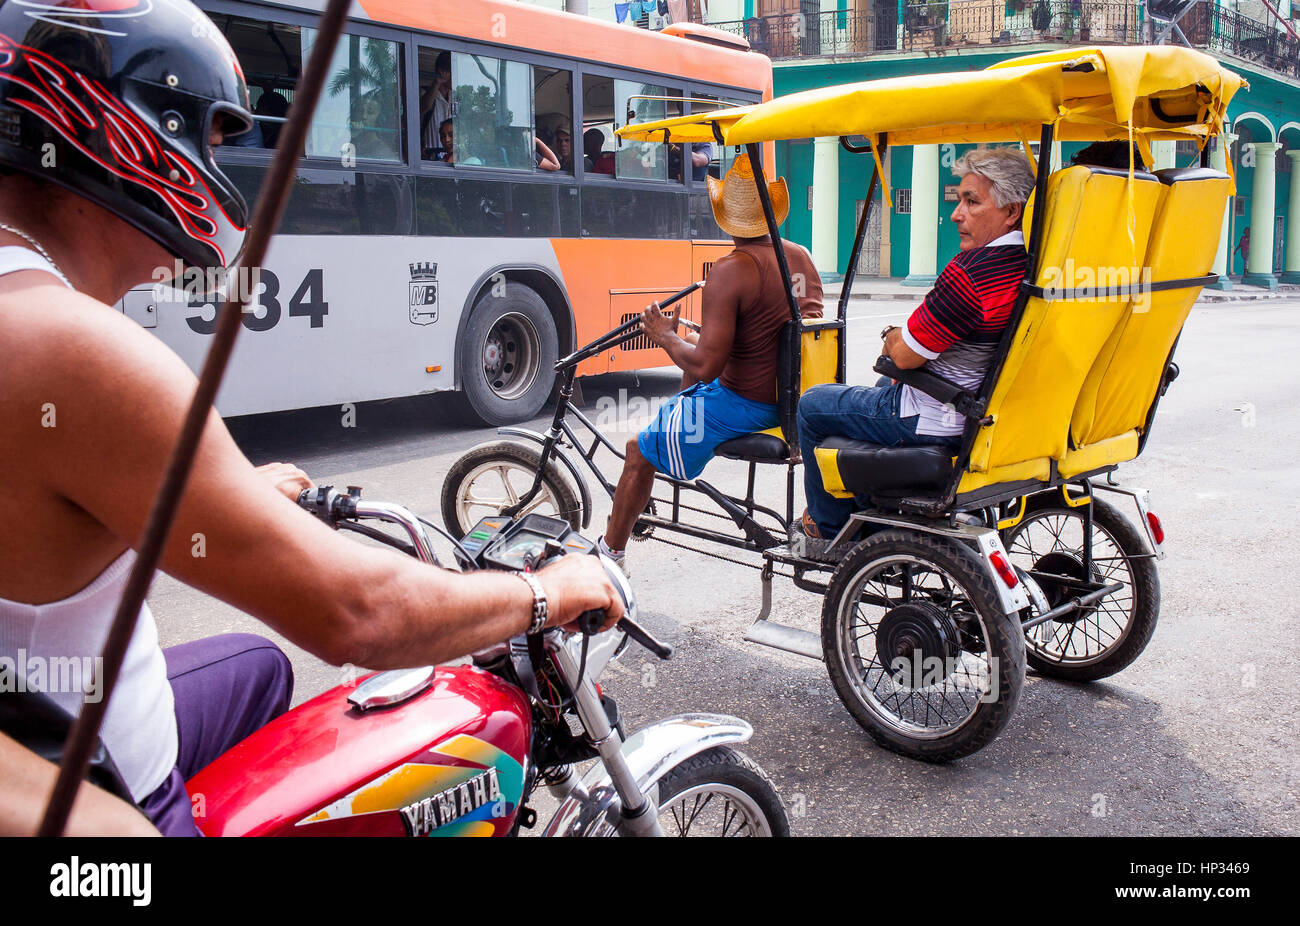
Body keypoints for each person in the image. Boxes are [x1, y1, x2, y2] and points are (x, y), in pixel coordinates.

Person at [0, 0, 622, 836]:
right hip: (95, 787)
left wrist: (233, 493)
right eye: (212, 141)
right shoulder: (80, 351)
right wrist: (542, 593)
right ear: (125, 132)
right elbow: (355, 616)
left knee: (257, 666)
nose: (221, 169)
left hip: (46, 705)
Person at [598, 154, 823, 572]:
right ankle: (672, 444)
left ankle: (610, 556)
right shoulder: (801, 257)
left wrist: (664, 335)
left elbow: (705, 368)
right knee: (691, 363)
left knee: (636, 451)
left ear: (727, 220)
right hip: (796, 399)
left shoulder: (731, 269)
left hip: (747, 404)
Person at [797, 147, 1035, 542]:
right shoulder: (1027, 263)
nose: (957, 214)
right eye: (959, 200)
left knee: (813, 403)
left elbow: (906, 355)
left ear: (1011, 211)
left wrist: (893, 338)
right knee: (878, 388)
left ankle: (828, 526)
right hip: (984, 410)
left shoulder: (971, 274)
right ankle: (870, 508)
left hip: (938, 418)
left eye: (971, 202)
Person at [420, 51, 452, 159]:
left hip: (450, 158)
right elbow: (424, 105)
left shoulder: (456, 97)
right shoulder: (425, 93)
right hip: (430, 157)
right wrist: (437, 82)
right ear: (443, 72)